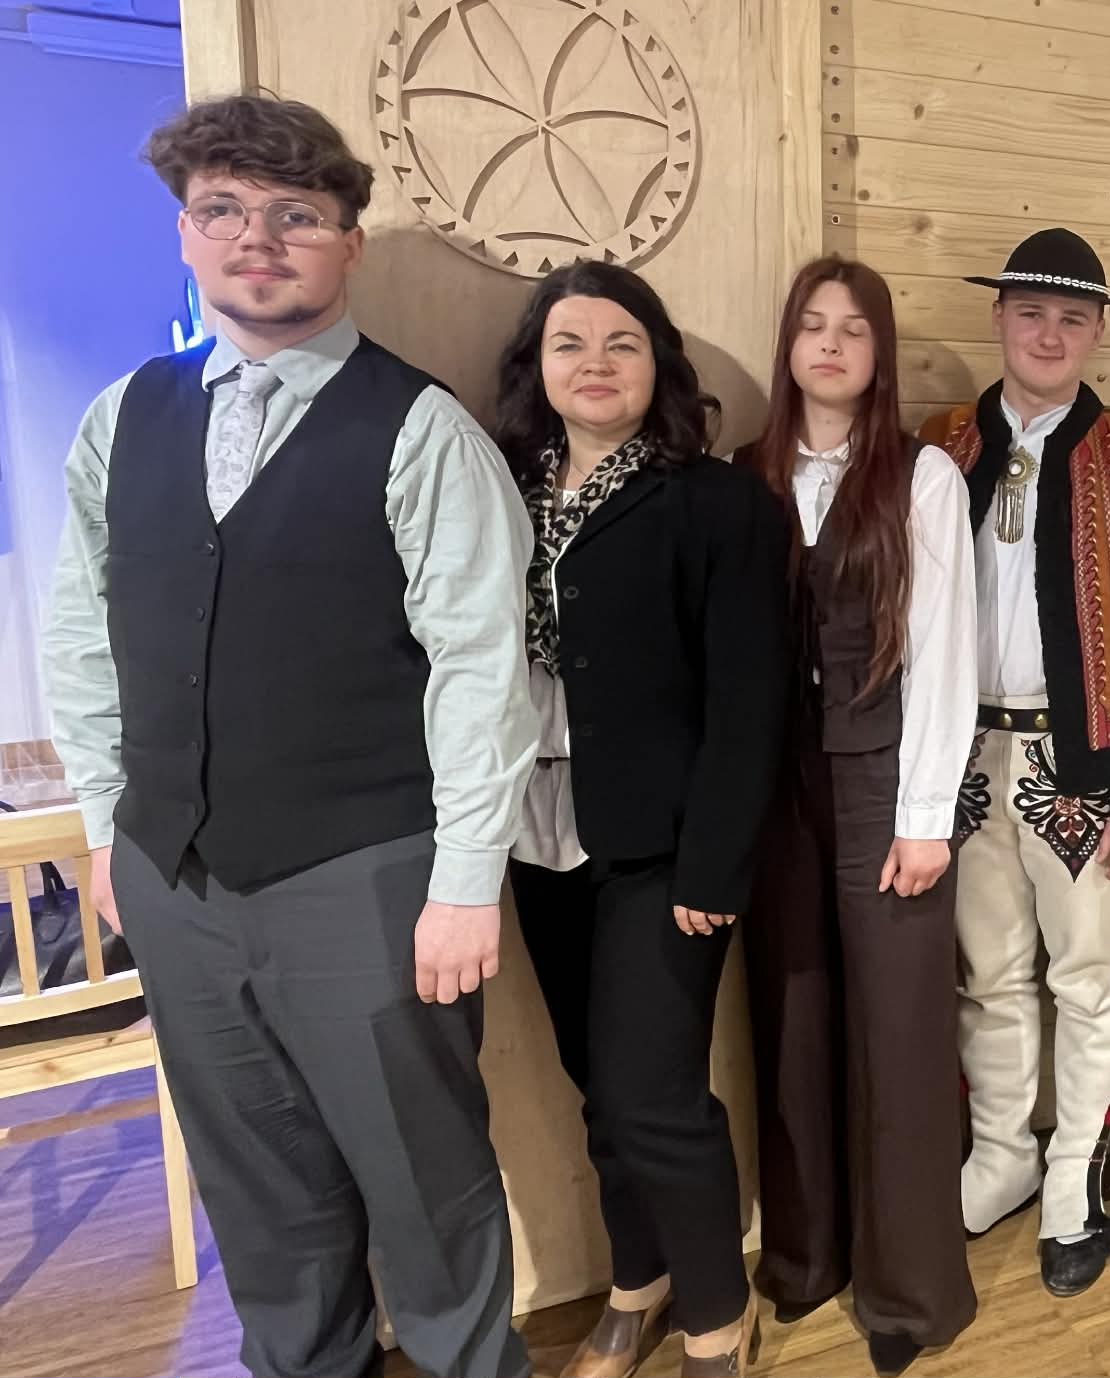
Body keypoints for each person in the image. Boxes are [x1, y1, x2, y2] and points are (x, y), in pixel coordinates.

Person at [41, 95, 537, 1378]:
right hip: (172, 875)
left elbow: (482, 671)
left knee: (425, 1184)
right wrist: (106, 824)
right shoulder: (122, 418)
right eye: (222, 209)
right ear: (186, 234)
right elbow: (82, 634)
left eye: (294, 215)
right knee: (256, 1190)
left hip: (368, 878)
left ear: (347, 243)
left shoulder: (420, 428)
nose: (256, 238)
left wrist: (464, 882)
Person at [498, 260, 789, 1378]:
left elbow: (748, 700)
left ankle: (716, 1311)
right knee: (596, 1085)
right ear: (536, 365)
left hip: (664, 844)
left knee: (653, 1089)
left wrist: (714, 866)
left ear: (657, 363)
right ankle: (640, 1279)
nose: (595, 364)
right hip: (538, 827)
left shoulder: (715, 500)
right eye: (568, 343)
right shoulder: (501, 490)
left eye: (621, 343)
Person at [917, 228, 1110, 1297]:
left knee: (1084, 982)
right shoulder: (943, 447)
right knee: (987, 974)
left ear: (1097, 333)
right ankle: (999, 1155)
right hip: (965, 752)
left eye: (1071, 318)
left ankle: (1070, 1178)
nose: (1048, 334)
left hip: (1081, 760)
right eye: (1031, 312)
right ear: (998, 318)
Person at [736, 257, 978, 1377]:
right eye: (812, 325)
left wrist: (926, 816)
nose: (830, 344)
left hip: (887, 780)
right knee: (790, 1021)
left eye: (854, 329)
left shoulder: (920, 476)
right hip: (775, 790)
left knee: (899, 1032)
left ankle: (909, 1290)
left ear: (878, 353)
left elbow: (944, 651)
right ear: (788, 343)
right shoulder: (744, 474)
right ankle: (804, 1256)